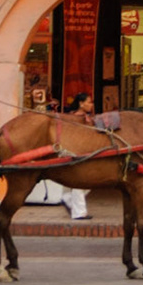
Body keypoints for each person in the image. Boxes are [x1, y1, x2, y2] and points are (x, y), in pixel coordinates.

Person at [57, 92, 94, 220]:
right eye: (89, 102)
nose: (91, 104)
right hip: (77, 151)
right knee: (81, 181)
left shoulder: (83, 117)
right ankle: (79, 212)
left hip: (80, 150)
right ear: (81, 103)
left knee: (79, 182)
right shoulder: (77, 118)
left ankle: (67, 199)